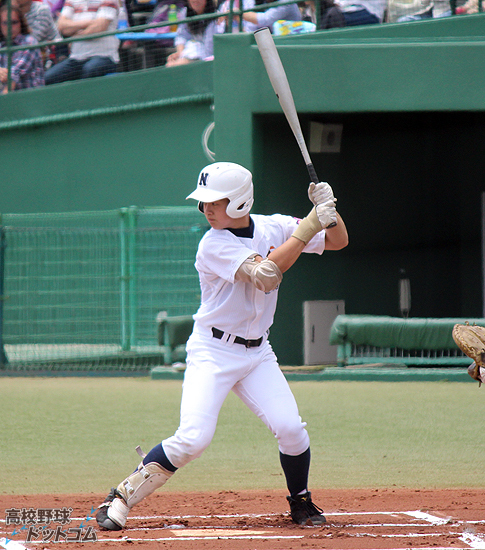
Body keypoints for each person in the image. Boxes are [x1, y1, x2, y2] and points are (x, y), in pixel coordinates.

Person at [95, 161, 349, 531]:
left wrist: (330, 211)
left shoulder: (274, 226)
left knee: (291, 429)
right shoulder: (212, 243)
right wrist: (311, 222)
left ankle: (301, 501)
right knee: (193, 440)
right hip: (213, 352)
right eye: (203, 201)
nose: (206, 208)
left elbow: (339, 240)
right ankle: (121, 496)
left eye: (215, 201)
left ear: (241, 202)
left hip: (258, 353)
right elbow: (265, 276)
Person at [43, 0, 119, 84]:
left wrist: (74, 33)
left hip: (105, 57)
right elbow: (61, 26)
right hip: (76, 58)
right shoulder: (71, 1)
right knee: (49, 77)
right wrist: (89, 23)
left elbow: (99, 27)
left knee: (89, 70)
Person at [0, 3, 45, 92]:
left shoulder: (29, 42)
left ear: (21, 23)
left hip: (31, 99)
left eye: (14, 22)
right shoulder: (1, 44)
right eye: (5, 23)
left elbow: (12, 78)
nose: (9, 27)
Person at [166, 0, 220, 66]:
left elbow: (209, 50)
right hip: (190, 53)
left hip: (208, 61)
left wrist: (185, 61)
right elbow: (182, 36)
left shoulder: (217, 17)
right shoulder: (185, 12)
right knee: (170, 64)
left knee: (173, 66)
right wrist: (179, 53)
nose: (195, 0)